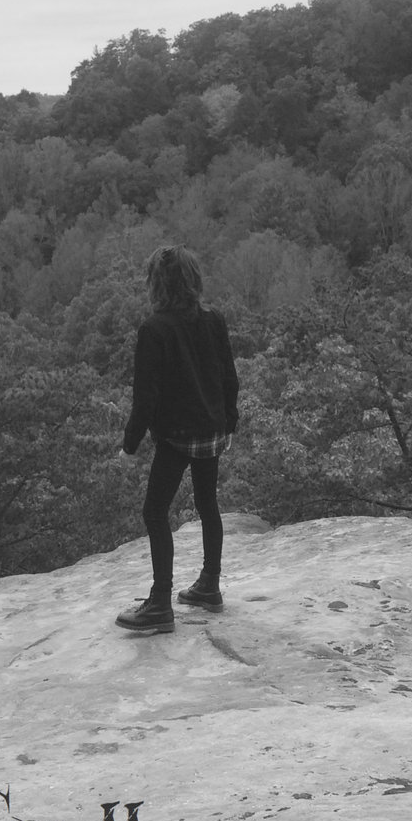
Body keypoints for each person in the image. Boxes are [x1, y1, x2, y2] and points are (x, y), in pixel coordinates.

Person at [116, 245, 239, 633]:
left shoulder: (154, 330)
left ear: (157, 284)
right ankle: (209, 586)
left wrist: (130, 445)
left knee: (155, 512)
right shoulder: (213, 319)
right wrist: (229, 423)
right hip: (211, 431)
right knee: (207, 503)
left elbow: (146, 397)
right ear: (193, 280)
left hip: (177, 437)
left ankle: (160, 604)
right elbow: (229, 377)